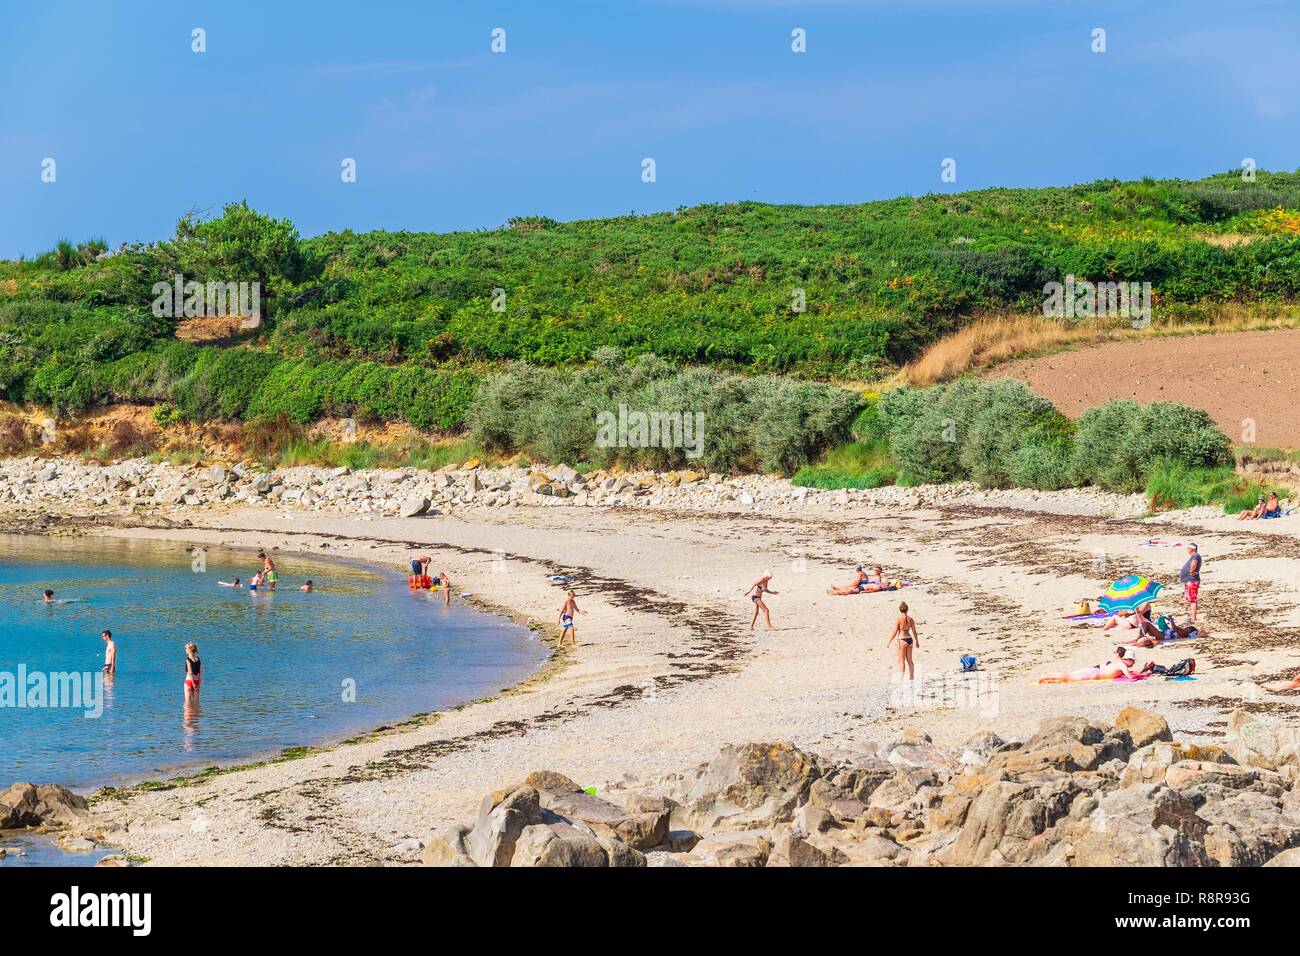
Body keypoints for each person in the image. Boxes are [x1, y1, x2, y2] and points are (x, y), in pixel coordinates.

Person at [885, 601, 920, 680]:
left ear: (900, 610)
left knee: (901, 660)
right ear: (907, 610)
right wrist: (917, 641)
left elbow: (895, 631)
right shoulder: (910, 619)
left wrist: (889, 641)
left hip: (902, 639)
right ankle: (912, 677)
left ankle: (901, 678)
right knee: (910, 660)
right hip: (910, 639)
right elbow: (914, 631)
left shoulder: (899, 619)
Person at [1179, 544, 1202, 623]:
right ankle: (1192, 616)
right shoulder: (1195, 556)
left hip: (1191, 580)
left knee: (1192, 599)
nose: (1187, 550)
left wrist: (1191, 572)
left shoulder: (1195, 556)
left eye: (1188, 548)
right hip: (1190, 580)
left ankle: (1193, 618)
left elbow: (1193, 564)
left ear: (1192, 549)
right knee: (1191, 599)